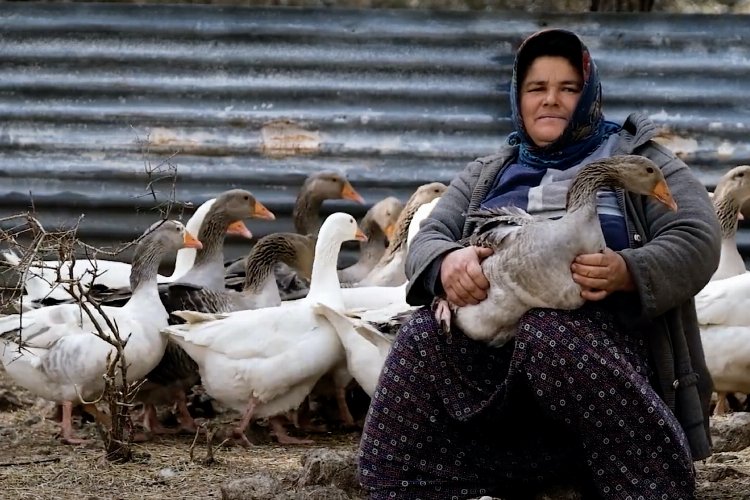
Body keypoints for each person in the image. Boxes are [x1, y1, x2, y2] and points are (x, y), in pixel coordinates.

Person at [357, 29, 720, 499]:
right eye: (536, 89)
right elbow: (429, 236)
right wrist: (446, 263)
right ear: (518, 97)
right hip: (495, 363)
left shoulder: (637, 159)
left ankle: (646, 481)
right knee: (420, 337)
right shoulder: (487, 173)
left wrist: (629, 270)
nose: (551, 101)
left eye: (567, 88)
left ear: (588, 94)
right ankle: (421, 484)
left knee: (547, 332)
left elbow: (697, 236)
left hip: (604, 356)